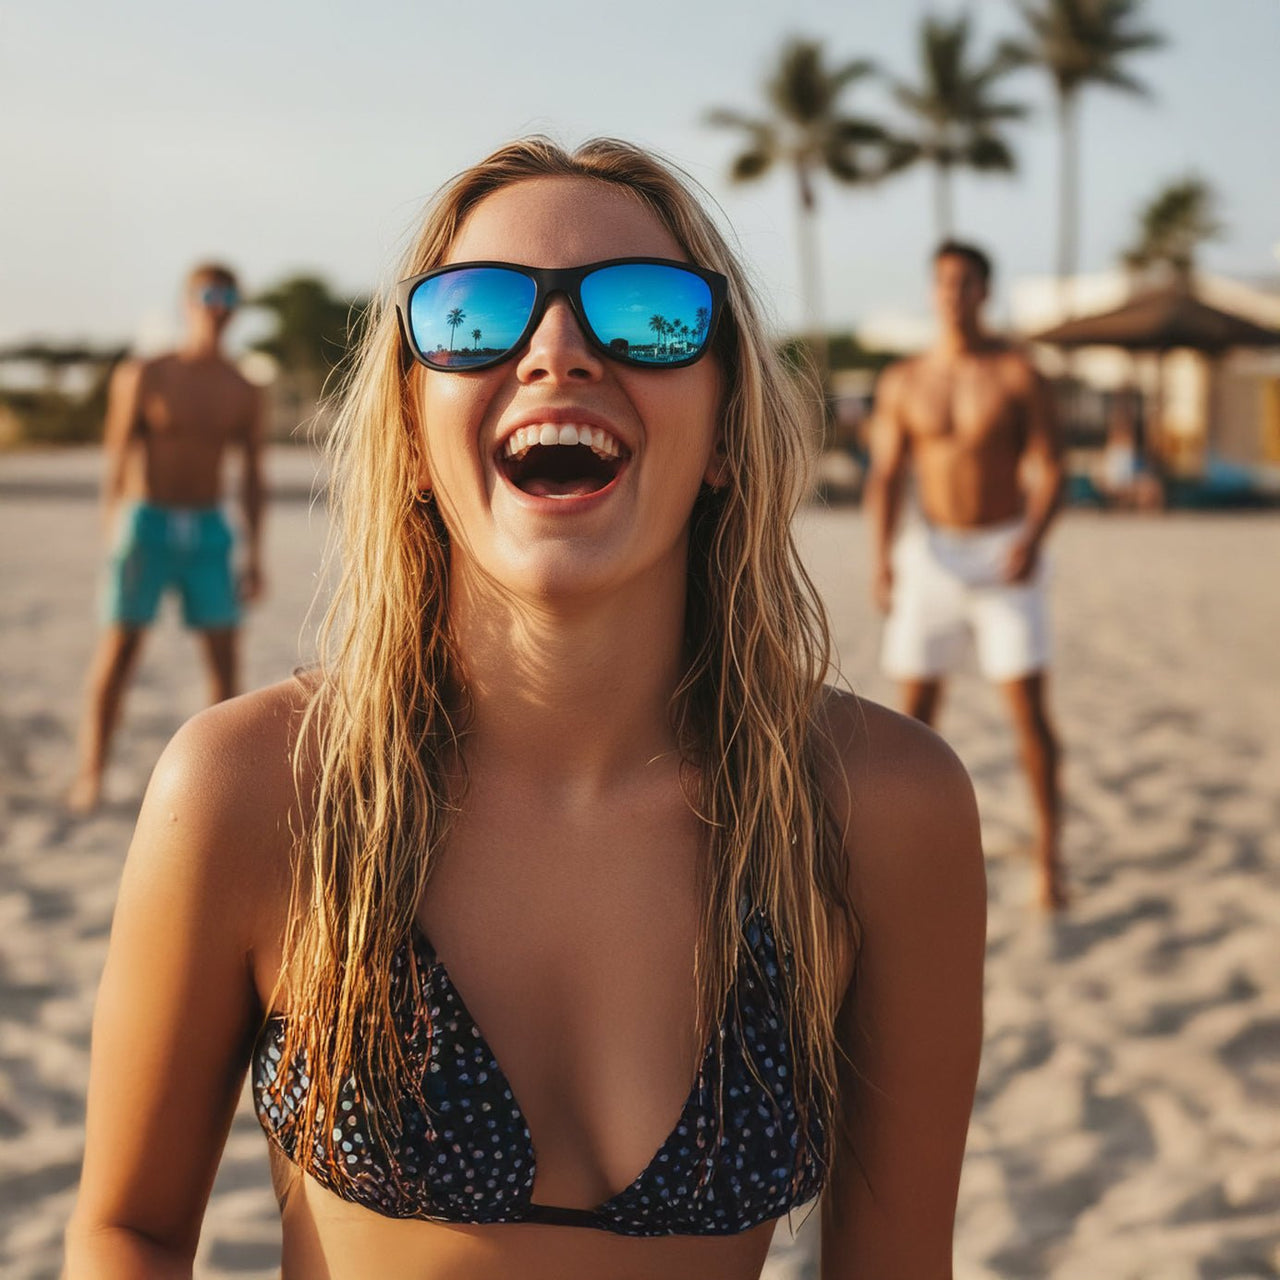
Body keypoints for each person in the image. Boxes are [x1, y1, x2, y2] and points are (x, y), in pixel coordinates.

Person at [65, 140, 985, 1279]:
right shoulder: (260, 788)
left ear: (724, 430)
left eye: (646, 315)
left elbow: (895, 1260)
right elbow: (132, 1230)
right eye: (474, 315)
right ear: (410, 427)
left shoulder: (877, 805)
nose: (556, 350)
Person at [865, 239, 1066, 910]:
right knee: (913, 718)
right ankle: (899, 855)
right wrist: (882, 559)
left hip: (1007, 553)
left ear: (984, 291)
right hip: (932, 555)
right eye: (943, 282)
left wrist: (1034, 538)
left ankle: (1050, 857)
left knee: (1028, 714)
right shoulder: (904, 380)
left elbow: (1053, 467)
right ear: (932, 291)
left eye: (966, 283)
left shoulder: (1016, 373)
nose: (953, 294)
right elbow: (887, 476)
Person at [67, 263, 266, 813]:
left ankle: (224, 785)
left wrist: (256, 553)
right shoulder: (146, 373)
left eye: (227, 295)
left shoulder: (243, 388)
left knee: (224, 659)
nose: (217, 305)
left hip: (208, 529)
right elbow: (116, 455)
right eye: (207, 294)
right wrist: (115, 527)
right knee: (121, 648)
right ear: (186, 301)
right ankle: (92, 774)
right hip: (147, 522)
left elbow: (252, 474)